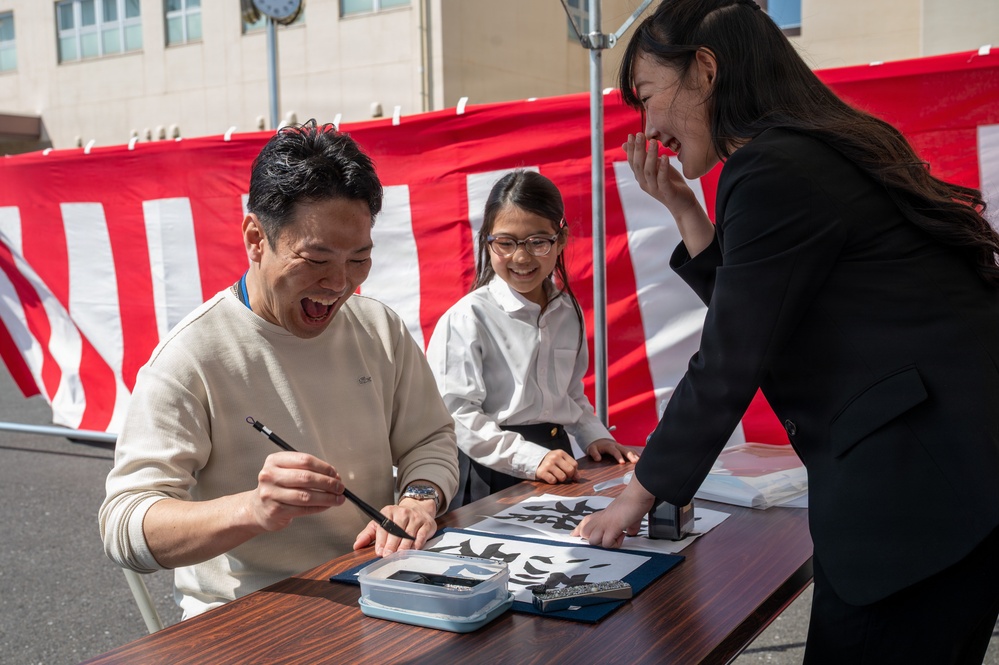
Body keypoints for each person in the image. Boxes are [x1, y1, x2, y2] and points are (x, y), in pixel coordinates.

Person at [571, 1, 999, 662]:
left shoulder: (773, 168)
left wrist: (638, 490)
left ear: (705, 70)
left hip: (913, 505)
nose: (649, 126)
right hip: (950, 487)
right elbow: (762, 317)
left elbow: (730, 356)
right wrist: (687, 210)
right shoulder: (812, 148)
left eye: (648, 96)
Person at [100, 121, 459, 619]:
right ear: (255, 237)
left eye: (359, 259)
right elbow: (124, 527)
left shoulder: (378, 327)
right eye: (316, 259)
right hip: (249, 617)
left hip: (377, 588)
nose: (339, 285)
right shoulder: (191, 357)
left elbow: (430, 438)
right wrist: (252, 509)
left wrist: (420, 499)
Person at [426, 170, 639, 508]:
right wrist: (529, 458)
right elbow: (457, 414)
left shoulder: (567, 310)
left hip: (558, 462)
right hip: (491, 472)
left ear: (562, 239)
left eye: (538, 242)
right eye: (506, 243)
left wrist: (595, 435)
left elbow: (570, 393)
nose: (521, 258)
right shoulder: (467, 317)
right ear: (487, 241)